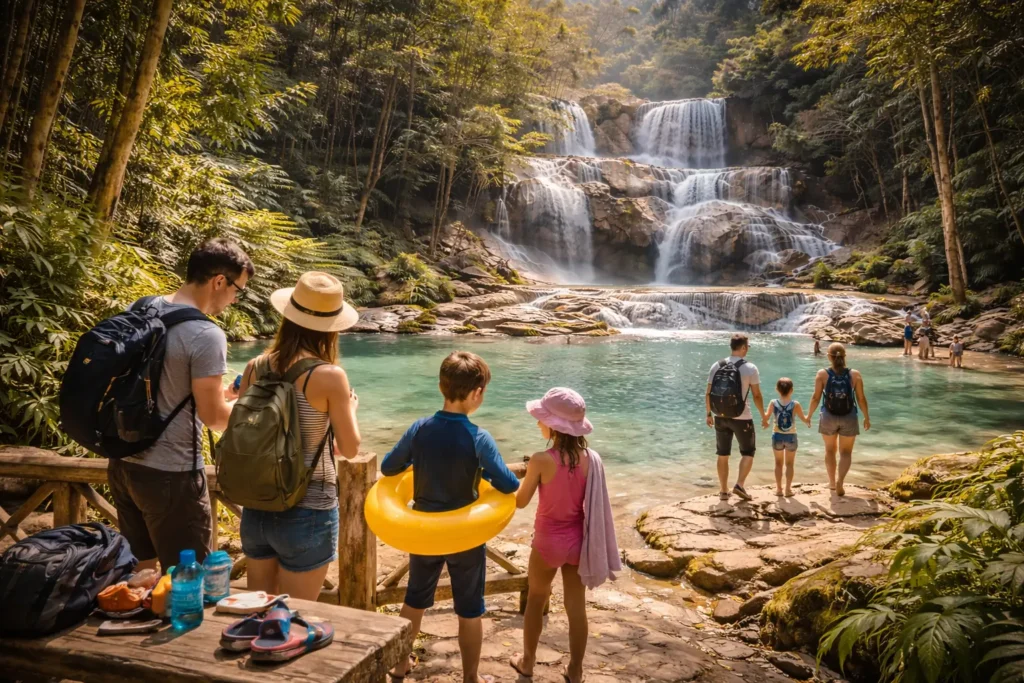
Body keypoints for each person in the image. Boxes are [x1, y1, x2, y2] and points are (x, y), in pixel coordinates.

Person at [107, 238, 253, 573]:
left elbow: (157, 385)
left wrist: (221, 396)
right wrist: (254, 410)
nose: (234, 299)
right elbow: (214, 418)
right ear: (219, 281)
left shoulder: (142, 307)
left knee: (143, 573)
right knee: (189, 580)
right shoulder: (205, 334)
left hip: (124, 462)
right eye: (237, 290)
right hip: (172, 474)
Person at [382, 351, 520, 683]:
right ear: (476, 393)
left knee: (415, 599)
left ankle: (400, 666)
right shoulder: (479, 437)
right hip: (466, 536)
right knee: (469, 609)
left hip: (424, 531)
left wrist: (413, 465)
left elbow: (389, 467)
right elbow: (509, 483)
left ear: (443, 387)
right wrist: (483, 477)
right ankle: (470, 678)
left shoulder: (419, 429)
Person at [238, 272, 362, 601]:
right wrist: (351, 409)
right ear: (331, 328)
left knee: (255, 612)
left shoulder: (254, 366)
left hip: (256, 505)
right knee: (295, 619)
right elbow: (349, 449)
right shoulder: (329, 376)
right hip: (308, 509)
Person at [511, 387, 613, 683]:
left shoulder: (542, 459)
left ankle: (528, 662)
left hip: (547, 541)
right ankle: (575, 670)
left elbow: (521, 501)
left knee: (536, 600)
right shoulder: (590, 458)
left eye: (541, 419)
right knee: (576, 607)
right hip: (577, 541)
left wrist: (499, 487)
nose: (537, 423)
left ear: (553, 426)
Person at [706, 333, 766, 501]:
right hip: (742, 416)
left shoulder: (716, 365)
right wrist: (764, 416)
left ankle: (723, 491)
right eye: (747, 347)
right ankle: (739, 484)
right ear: (743, 348)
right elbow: (757, 396)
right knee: (748, 452)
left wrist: (708, 413)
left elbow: (708, 392)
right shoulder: (750, 368)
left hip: (720, 415)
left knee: (722, 454)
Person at [807, 343, 870, 497]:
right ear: (844, 356)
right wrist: (866, 417)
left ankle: (831, 483)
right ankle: (840, 481)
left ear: (829, 356)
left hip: (828, 416)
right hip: (849, 416)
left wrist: (808, 415)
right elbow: (861, 398)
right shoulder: (855, 374)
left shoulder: (822, 374)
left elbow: (816, 398)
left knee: (830, 450)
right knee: (846, 452)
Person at [761, 378, 811, 497]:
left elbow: (766, 417)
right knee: (790, 464)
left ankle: (778, 490)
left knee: (778, 463)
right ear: (792, 390)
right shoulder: (795, 404)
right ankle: (788, 490)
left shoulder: (773, 403)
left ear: (777, 390)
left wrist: (764, 420)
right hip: (791, 437)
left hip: (777, 436)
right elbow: (804, 419)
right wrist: (809, 419)